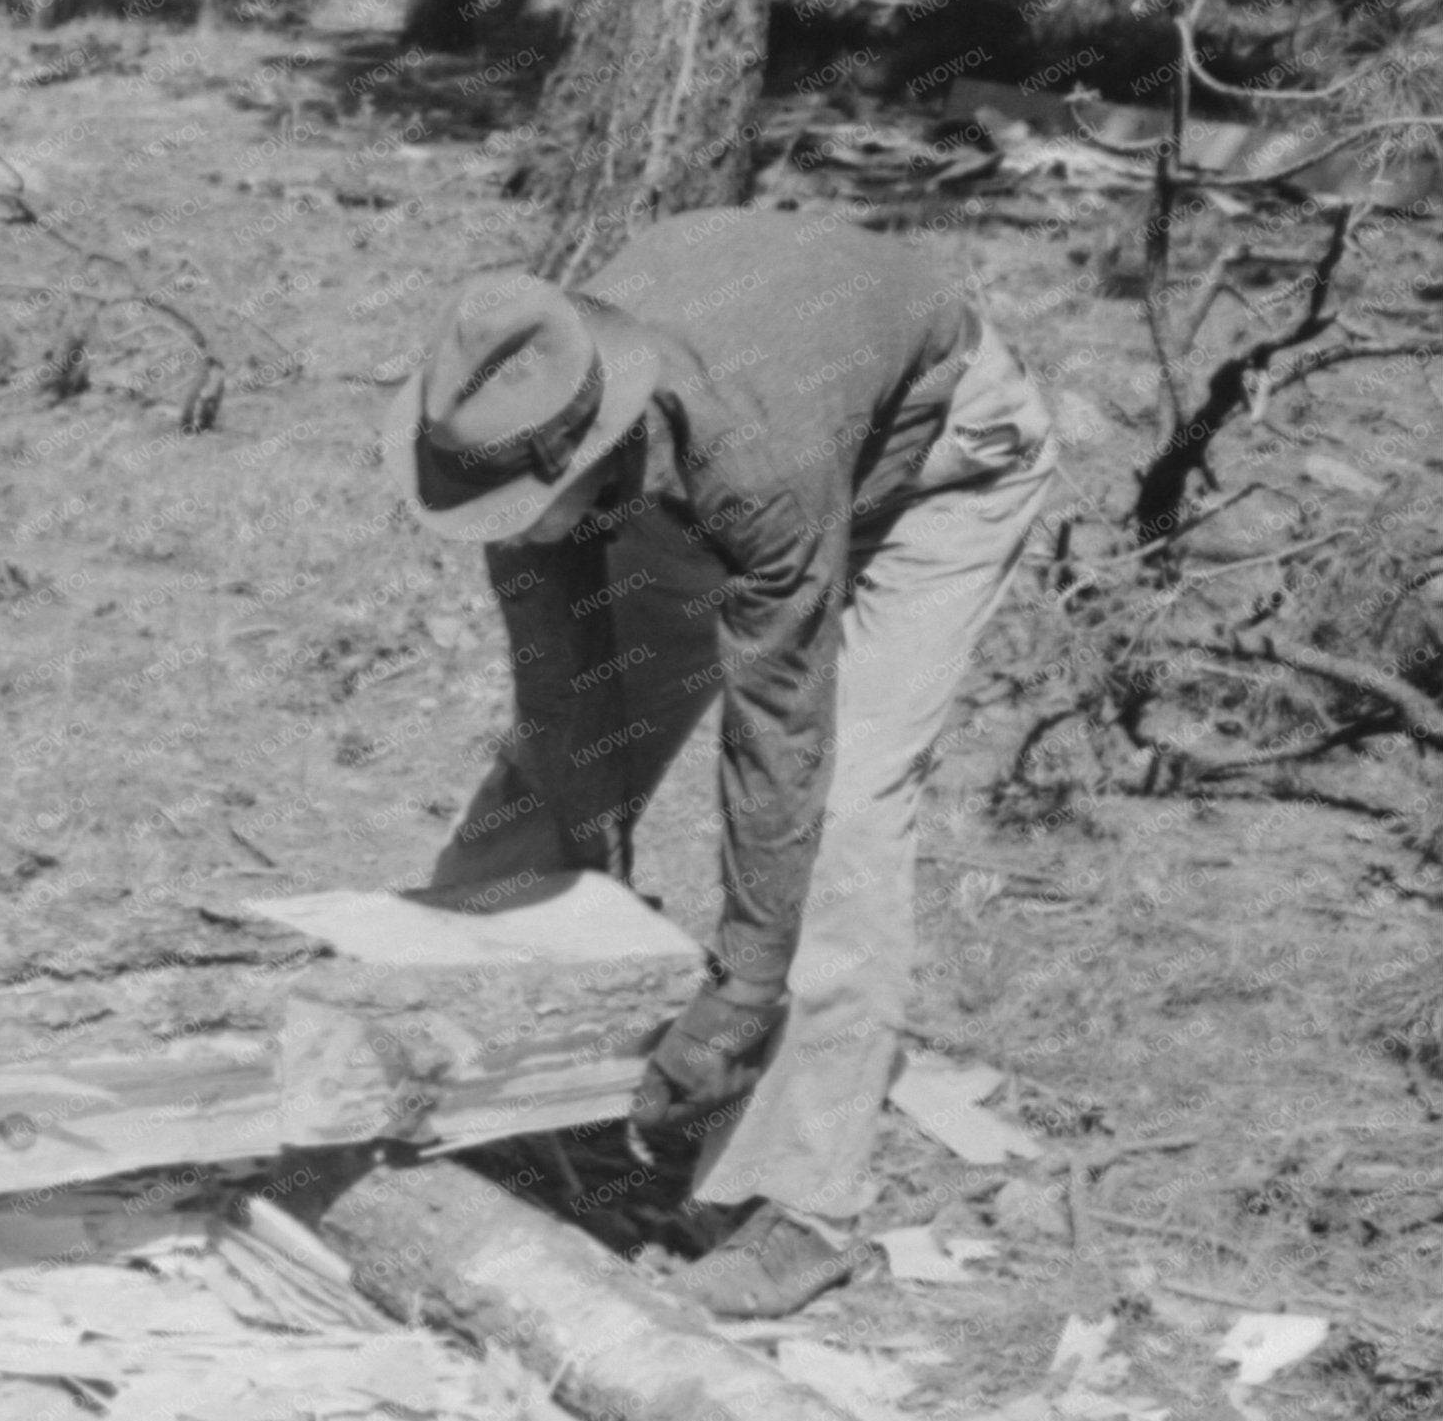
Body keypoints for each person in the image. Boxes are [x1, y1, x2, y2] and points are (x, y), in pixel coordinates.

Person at [381, 206, 1059, 1316]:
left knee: (842, 811)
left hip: (937, 470)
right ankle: (450, 1071)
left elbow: (778, 733)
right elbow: (560, 680)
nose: (512, 527)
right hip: (720, 442)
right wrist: (587, 857)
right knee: (543, 776)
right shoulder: (509, 405)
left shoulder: (754, 461)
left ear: (598, 450)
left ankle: (794, 1200)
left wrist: (736, 998)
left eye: (527, 511)